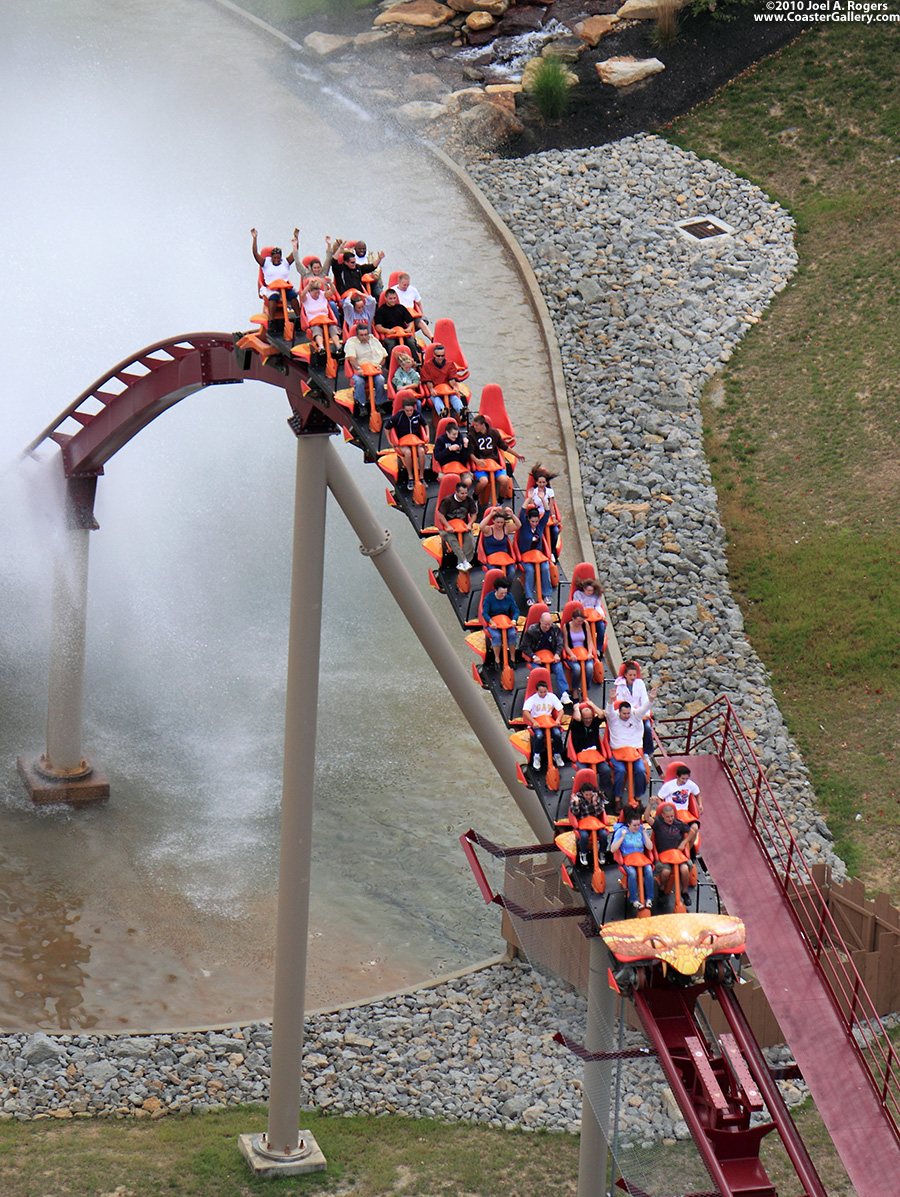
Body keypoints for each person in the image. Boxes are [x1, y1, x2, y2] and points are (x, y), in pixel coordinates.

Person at [606, 690, 657, 802]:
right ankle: (617, 798)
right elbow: (608, 711)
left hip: (633, 752)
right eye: (624, 714)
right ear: (619, 712)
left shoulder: (635, 716)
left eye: (628, 713)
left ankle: (638, 797)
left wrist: (651, 699)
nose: (626, 716)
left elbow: (643, 709)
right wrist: (610, 699)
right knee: (620, 771)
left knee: (640, 770)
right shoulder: (613, 718)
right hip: (617, 752)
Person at [251, 227, 301, 324]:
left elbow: (294, 253)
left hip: (284, 287)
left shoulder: (285, 262)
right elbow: (255, 253)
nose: (276, 260)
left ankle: (299, 318)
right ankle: (271, 321)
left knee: (293, 297)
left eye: (278, 258)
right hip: (272, 288)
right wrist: (254, 238)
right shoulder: (266, 262)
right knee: (273, 298)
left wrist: (296, 239)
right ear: (271, 257)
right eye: (274, 258)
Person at [567, 700, 613, 801]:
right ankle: (584, 794)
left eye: (590, 718)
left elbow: (601, 714)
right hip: (580, 755)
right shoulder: (576, 725)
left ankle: (603, 793)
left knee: (606, 770)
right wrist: (576, 708)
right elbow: (577, 718)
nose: (588, 721)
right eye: (586, 718)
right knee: (584, 772)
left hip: (595, 755)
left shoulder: (594, 723)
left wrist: (591, 704)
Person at [520, 610, 570, 704]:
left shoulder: (555, 629)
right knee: (538, 673)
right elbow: (524, 646)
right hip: (537, 658)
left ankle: (564, 693)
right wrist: (533, 656)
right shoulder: (532, 630)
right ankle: (541, 695)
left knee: (559, 668)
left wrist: (557, 654)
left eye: (549, 624)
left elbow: (560, 643)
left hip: (551, 657)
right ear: (540, 621)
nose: (547, 627)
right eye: (545, 625)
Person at [469, 414, 521, 502]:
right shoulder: (472, 436)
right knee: (483, 482)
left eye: (476, 425)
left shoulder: (494, 433)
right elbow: (470, 453)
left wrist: (517, 455)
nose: (475, 427)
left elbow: (504, 446)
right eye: (474, 425)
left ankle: (500, 500)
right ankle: (475, 497)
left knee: (505, 481)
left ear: (483, 425)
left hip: (494, 464)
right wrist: (477, 461)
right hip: (481, 464)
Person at [611, 813, 655, 911]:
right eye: (634, 825)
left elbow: (650, 847)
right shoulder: (621, 832)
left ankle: (649, 899)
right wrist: (622, 837)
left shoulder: (640, 830)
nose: (636, 827)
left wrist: (644, 833)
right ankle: (634, 900)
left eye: (638, 825)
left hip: (641, 857)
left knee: (649, 871)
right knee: (632, 873)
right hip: (628, 857)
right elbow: (613, 849)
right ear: (628, 825)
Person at [651, 801, 693, 903]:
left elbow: (692, 831)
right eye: (668, 817)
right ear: (663, 816)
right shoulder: (658, 823)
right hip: (664, 855)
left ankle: (684, 892)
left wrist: (684, 842)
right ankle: (662, 889)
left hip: (678, 855)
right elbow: (648, 819)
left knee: (685, 870)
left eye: (672, 816)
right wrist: (650, 805)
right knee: (666, 872)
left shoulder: (678, 823)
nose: (670, 819)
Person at [654, 763, 701, 852]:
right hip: (673, 812)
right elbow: (659, 798)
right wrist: (664, 808)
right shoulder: (669, 785)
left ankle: (688, 849)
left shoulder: (690, 784)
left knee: (694, 828)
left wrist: (700, 805)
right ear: (677, 777)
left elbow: (697, 794)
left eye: (686, 779)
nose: (684, 781)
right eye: (683, 778)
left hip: (685, 812)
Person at [385, 393, 427, 491]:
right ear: (404, 409)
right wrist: (391, 441)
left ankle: (421, 476)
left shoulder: (417, 414)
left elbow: (425, 425)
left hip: (415, 440)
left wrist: (427, 436)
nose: (409, 413)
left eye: (411, 410)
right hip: (403, 442)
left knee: (421, 452)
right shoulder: (398, 416)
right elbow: (387, 428)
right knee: (407, 453)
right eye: (407, 411)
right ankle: (411, 477)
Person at [522, 677, 565, 771]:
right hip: (538, 722)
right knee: (539, 735)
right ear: (537, 691)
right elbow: (526, 711)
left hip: (549, 721)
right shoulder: (532, 699)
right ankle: (536, 755)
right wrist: (534, 722)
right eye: (541, 692)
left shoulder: (552, 696)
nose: (543, 694)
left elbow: (561, 710)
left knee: (557, 734)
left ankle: (557, 753)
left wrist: (557, 720)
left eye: (545, 692)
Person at [436, 473, 477, 569]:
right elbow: (441, 515)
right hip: (449, 526)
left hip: (462, 525)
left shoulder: (469, 500)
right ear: (456, 492)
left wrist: (470, 524)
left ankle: (463, 562)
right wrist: (448, 526)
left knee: (469, 540)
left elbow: (474, 514)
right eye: (462, 493)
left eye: (466, 493)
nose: (464, 495)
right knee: (452, 540)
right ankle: (464, 561)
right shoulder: (447, 501)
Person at [615, 660, 655, 758]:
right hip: (627, 712)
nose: (632, 677)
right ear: (625, 675)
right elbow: (621, 702)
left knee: (647, 728)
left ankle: (647, 752)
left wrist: (643, 711)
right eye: (630, 675)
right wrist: (633, 711)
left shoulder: (640, 683)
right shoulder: (620, 686)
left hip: (640, 712)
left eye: (634, 675)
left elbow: (644, 699)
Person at [345, 323, 387, 410]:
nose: (364, 337)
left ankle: (379, 403)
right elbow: (351, 358)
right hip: (360, 369)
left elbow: (383, 356)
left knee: (380, 380)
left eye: (365, 335)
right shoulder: (351, 342)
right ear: (357, 335)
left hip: (373, 368)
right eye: (361, 335)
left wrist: (380, 365)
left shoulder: (374, 340)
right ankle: (362, 404)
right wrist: (358, 368)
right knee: (359, 382)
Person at [516, 505, 552, 607]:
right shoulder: (524, 526)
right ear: (528, 520)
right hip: (525, 556)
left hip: (538, 555)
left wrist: (543, 499)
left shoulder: (540, 526)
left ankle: (546, 594)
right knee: (530, 570)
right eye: (533, 522)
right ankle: (529, 596)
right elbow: (522, 512)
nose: (535, 524)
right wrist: (529, 499)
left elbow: (547, 512)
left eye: (536, 522)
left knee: (545, 568)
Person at [525, 464, 562, 561]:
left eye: (543, 482)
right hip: (537, 516)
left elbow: (551, 505)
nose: (542, 484)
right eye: (540, 482)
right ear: (536, 482)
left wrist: (553, 516)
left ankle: (552, 551)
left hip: (547, 515)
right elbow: (532, 506)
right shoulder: (533, 492)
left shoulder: (550, 491)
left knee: (555, 531)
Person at [569, 779, 609, 869]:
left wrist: (594, 802)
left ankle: (602, 852)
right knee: (584, 836)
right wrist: (577, 803)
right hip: (583, 823)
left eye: (590, 794)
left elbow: (600, 812)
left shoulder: (596, 797)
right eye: (586, 795)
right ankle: (583, 853)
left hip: (595, 822)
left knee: (603, 834)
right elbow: (575, 813)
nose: (588, 797)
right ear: (582, 793)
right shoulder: (577, 799)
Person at [299, 278, 341, 359]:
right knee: (317, 330)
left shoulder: (322, 294)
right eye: (315, 293)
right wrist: (308, 286)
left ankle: (338, 346)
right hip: (314, 321)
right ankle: (321, 347)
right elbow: (302, 295)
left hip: (325, 319)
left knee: (333, 328)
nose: (317, 295)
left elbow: (333, 292)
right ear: (310, 291)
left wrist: (330, 283)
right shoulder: (306, 298)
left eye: (318, 292)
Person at [374, 289, 421, 362]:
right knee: (390, 344)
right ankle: (390, 364)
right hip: (390, 334)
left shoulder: (401, 308)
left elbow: (410, 321)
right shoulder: (380, 310)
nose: (393, 300)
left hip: (402, 332)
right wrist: (387, 331)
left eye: (394, 298)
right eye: (390, 299)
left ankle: (416, 362)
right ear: (386, 298)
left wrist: (409, 328)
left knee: (411, 341)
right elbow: (378, 326)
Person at [420, 343, 465, 418]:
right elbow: (428, 381)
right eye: (438, 356)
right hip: (435, 391)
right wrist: (431, 389)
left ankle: (462, 412)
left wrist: (454, 387)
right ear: (434, 355)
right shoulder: (427, 365)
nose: (440, 358)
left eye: (442, 356)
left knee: (454, 398)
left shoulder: (450, 364)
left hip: (447, 390)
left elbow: (452, 378)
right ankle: (443, 412)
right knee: (436, 400)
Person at [481, 576, 519, 664]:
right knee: (496, 636)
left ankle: (512, 657)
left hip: (505, 621)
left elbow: (516, 610)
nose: (503, 595)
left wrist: (514, 620)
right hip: (493, 622)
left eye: (505, 593)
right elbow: (485, 613)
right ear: (496, 590)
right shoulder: (489, 598)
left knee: (512, 634)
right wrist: (491, 622)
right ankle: (497, 658)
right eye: (501, 593)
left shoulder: (509, 597)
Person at [478, 506, 519, 580]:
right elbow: (481, 526)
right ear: (493, 521)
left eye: (501, 522)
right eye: (498, 522)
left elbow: (518, 525)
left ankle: (507, 588)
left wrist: (512, 515)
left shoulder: (505, 528)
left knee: (512, 571)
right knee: (496, 573)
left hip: (505, 557)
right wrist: (490, 515)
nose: (500, 525)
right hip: (491, 558)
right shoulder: (489, 530)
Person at [563, 606, 594, 700]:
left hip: (584, 652)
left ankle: (586, 687)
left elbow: (589, 641)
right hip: (573, 652)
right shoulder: (567, 626)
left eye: (581, 621)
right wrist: (571, 654)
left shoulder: (585, 625)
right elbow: (566, 645)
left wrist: (589, 653)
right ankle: (575, 688)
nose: (580, 623)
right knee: (576, 669)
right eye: (578, 621)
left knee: (589, 668)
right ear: (573, 619)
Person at [393, 270, 433, 340]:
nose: (406, 287)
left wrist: (421, 314)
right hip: (400, 316)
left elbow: (419, 303)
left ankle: (432, 338)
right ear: (399, 283)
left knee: (421, 322)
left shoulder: (412, 289)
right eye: (404, 285)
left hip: (412, 314)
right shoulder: (393, 291)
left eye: (407, 285)